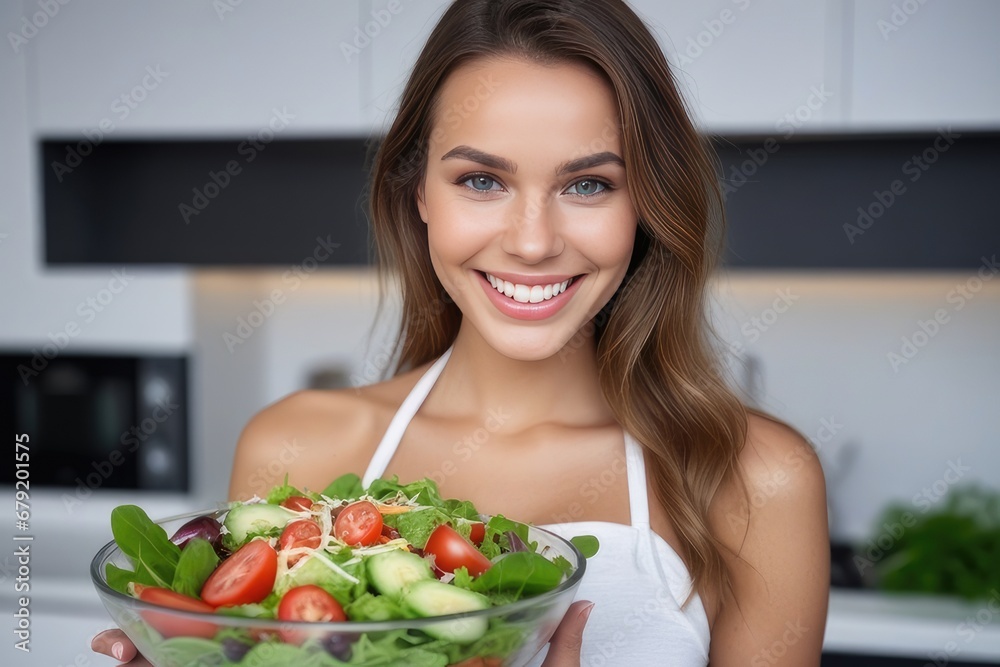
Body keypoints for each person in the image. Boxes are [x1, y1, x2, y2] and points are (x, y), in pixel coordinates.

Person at [93, 0, 829, 664]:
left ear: (647, 205)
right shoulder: (294, 447)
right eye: (482, 180)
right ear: (418, 193)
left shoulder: (756, 478)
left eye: (589, 184)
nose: (533, 242)